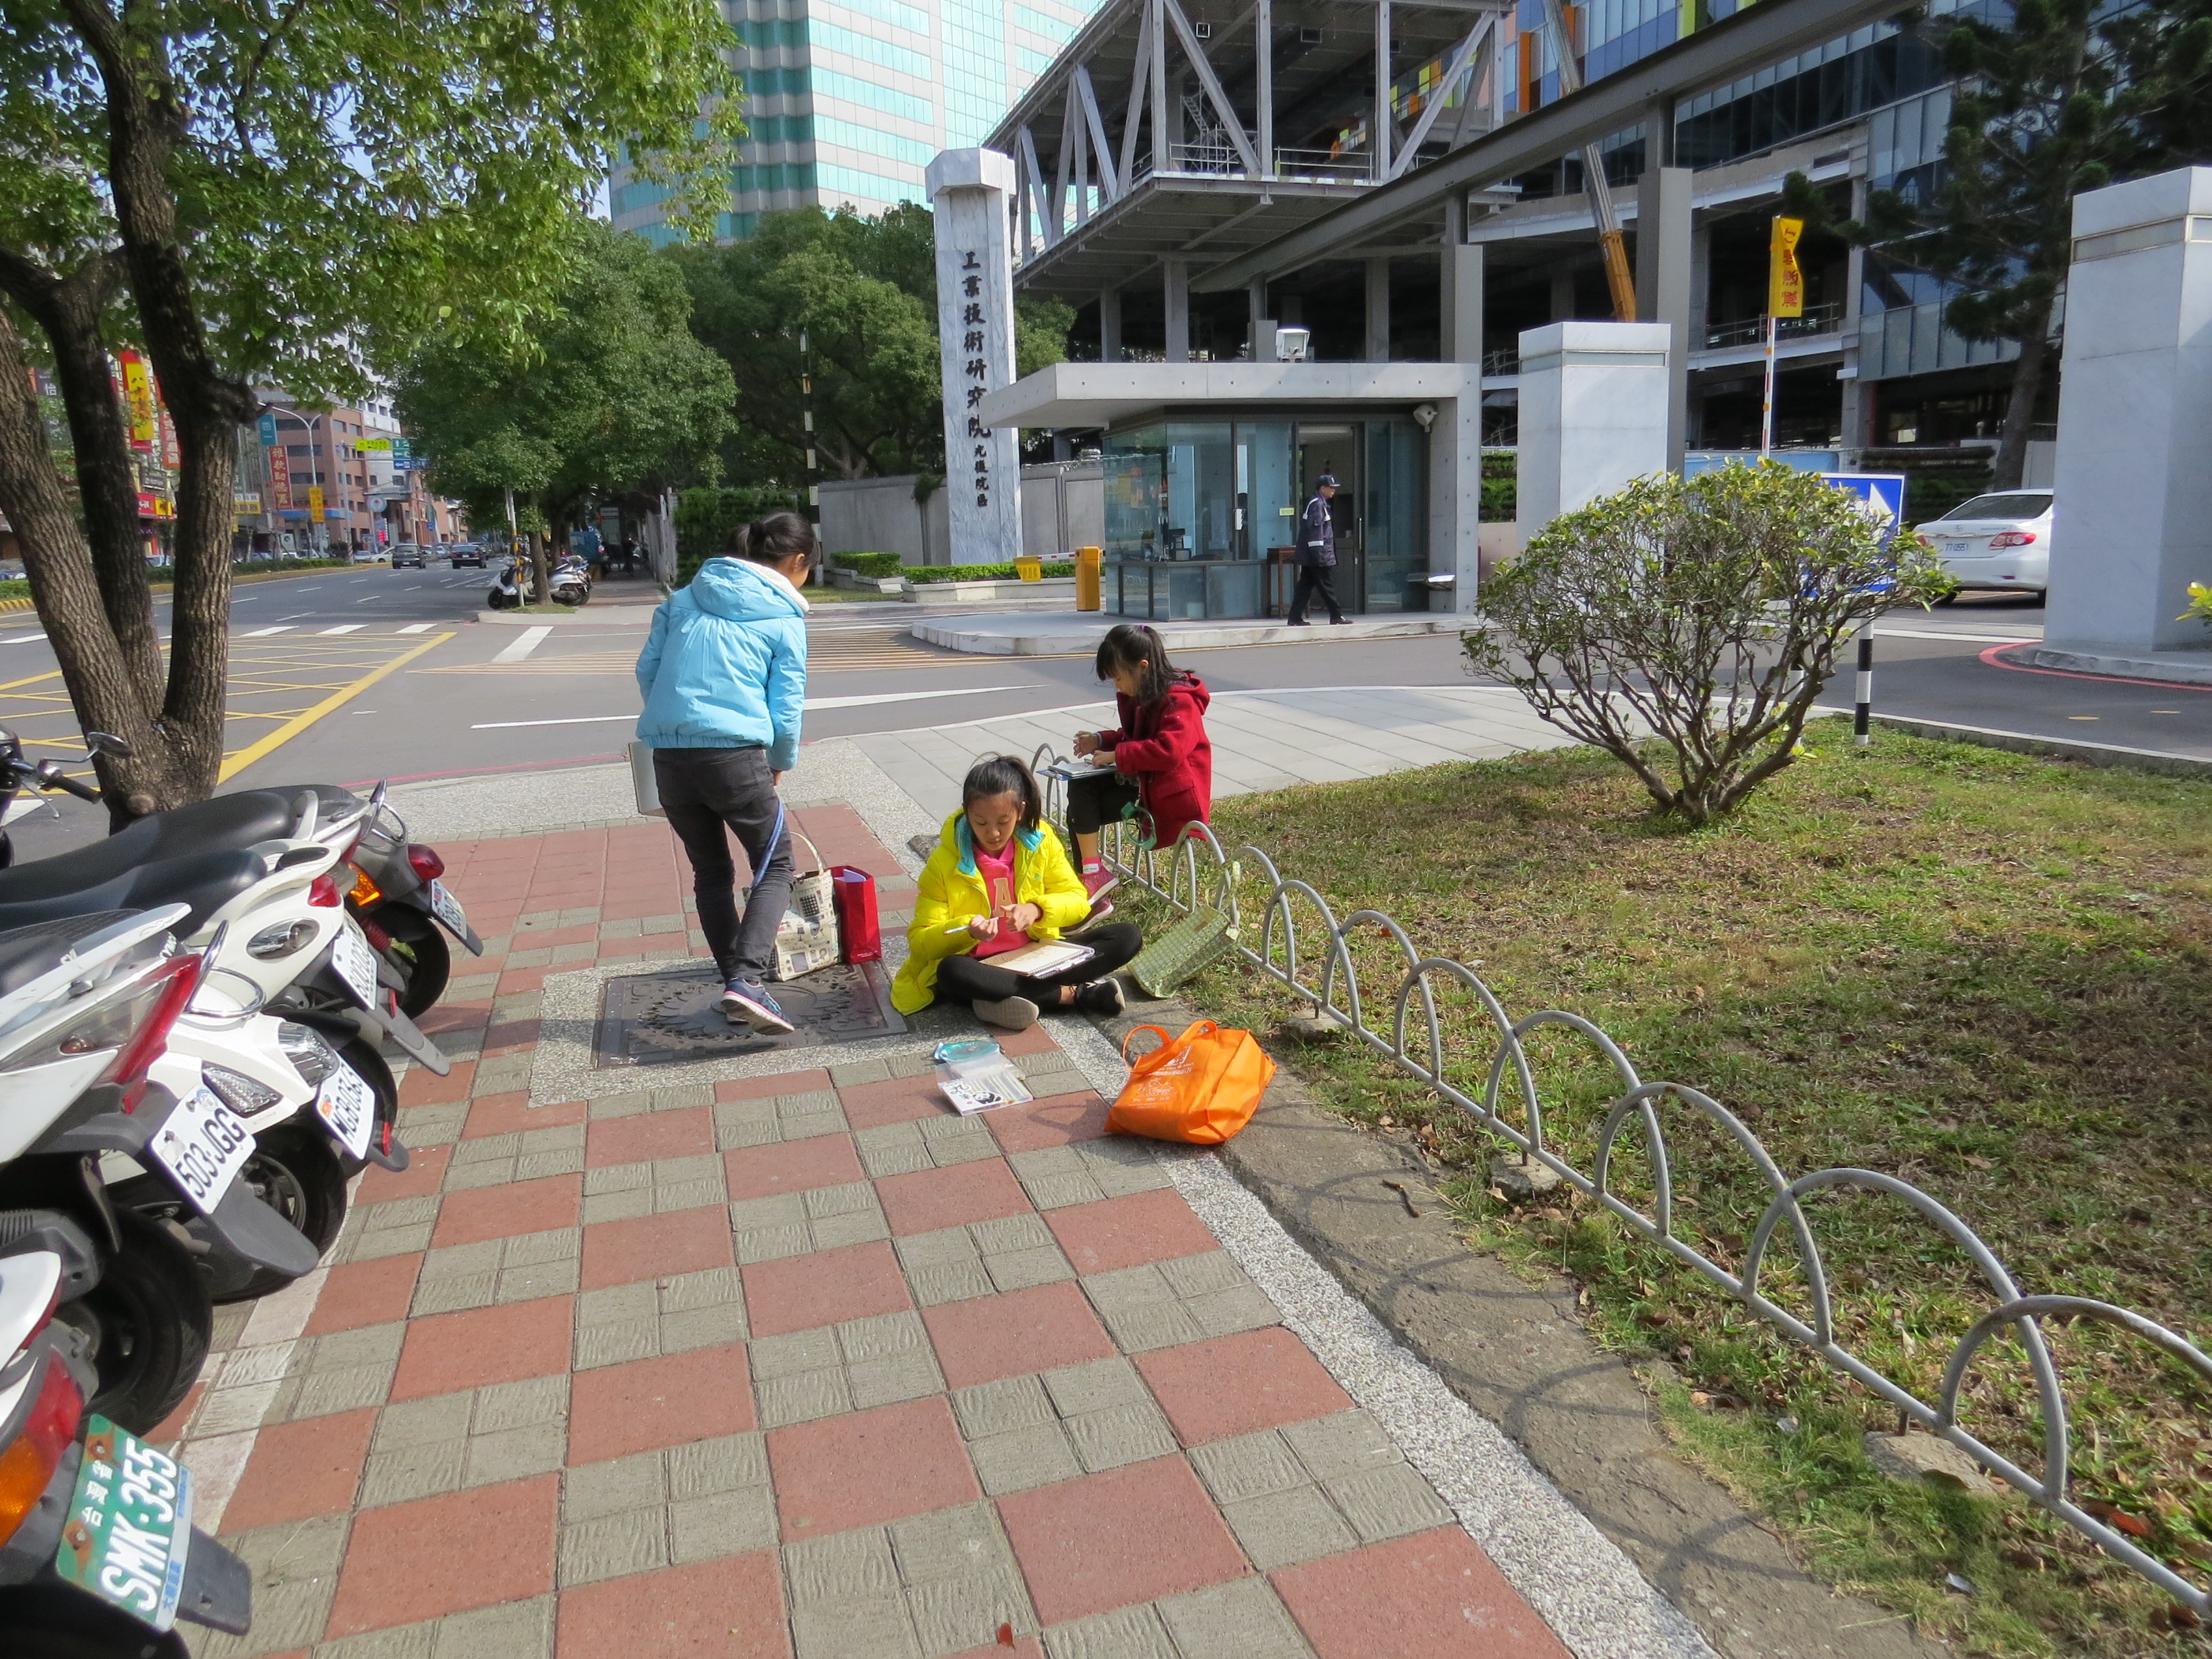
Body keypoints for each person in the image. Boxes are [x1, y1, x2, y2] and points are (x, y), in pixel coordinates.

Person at [635, 512, 815, 1035]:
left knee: (711, 872)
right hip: (735, 757)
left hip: (670, 759)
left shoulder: (681, 601)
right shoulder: (784, 617)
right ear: (799, 560)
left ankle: (736, 983)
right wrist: (779, 761)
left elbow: (648, 671)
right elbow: (786, 707)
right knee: (776, 865)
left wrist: (677, 724)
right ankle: (747, 982)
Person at [892, 755, 1141, 1032]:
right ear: (967, 812)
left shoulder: (1040, 840)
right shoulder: (944, 862)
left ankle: (1004, 997)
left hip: (1036, 954)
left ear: (1020, 811)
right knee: (951, 972)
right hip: (981, 965)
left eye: (1003, 821)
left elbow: (1076, 899)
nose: (993, 833)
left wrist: (1037, 910)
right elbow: (921, 941)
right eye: (980, 822)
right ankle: (1073, 995)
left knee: (1126, 936)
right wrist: (967, 931)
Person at [1068, 623, 1212, 919]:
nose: (1117, 685)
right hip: (1145, 785)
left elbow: (1168, 750)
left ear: (1142, 667)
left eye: (1118, 677)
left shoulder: (1180, 700)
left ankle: (1092, 879)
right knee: (1080, 798)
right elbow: (1134, 736)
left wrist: (1116, 755)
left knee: (1083, 808)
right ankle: (1093, 876)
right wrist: (1100, 740)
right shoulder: (1146, 694)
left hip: (1169, 797)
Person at [1289, 471, 1350, 625]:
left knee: (1304, 587)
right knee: (1325, 586)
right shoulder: (1318, 505)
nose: (1334, 490)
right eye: (1331, 487)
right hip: (1318, 556)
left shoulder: (1318, 503)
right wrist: (1318, 556)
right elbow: (1316, 533)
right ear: (1322, 488)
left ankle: (1295, 617)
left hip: (1313, 556)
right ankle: (1336, 615)